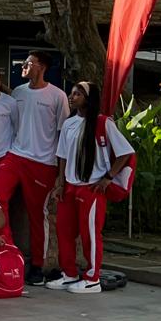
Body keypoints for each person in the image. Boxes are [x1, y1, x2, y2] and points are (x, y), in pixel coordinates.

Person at [0, 50, 70, 285]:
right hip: (16, 155)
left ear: (41, 67)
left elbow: (62, 135)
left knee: (38, 216)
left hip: (44, 163)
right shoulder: (18, 93)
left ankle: (37, 265)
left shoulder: (58, 96)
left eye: (29, 63)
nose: (24, 65)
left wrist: (60, 175)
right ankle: (8, 248)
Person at [49, 81, 134, 294]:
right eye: (72, 93)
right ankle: (69, 273)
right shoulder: (69, 123)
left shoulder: (103, 123)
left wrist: (108, 177)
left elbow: (125, 153)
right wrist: (60, 182)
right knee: (64, 231)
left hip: (91, 187)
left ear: (88, 98)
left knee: (90, 234)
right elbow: (62, 156)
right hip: (70, 185)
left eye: (78, 94)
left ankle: (92, 277)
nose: (72, 96)